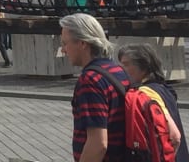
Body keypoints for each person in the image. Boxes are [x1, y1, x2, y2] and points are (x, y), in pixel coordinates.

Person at [59, 12, 129, 162]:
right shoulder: (118, 70)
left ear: (83, 43)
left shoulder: (90, 80)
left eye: (65, 43)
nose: (63, 50)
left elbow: (98, 144)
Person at [118, 43, 188, 162]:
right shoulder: (164, 88)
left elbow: (175, 137)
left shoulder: (146, 94)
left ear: (143, 66)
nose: (122, 69)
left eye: (126, 64)